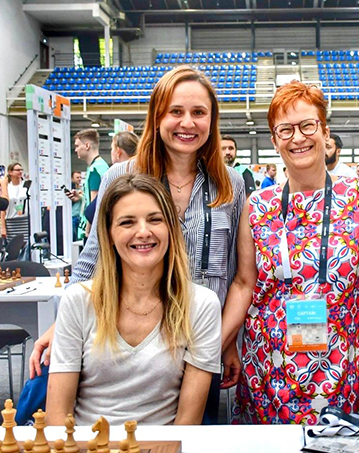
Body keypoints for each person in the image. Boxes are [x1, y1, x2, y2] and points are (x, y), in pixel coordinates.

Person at [30, 66, 245, 426]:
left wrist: (226, 340)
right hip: (129, 338)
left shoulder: (230, 184)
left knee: (187, 442)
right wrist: (61, 326)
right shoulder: (123, 174)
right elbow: (93, 259)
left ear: (212, 120)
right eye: (175, 111)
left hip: (201, 342)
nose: (187, 123)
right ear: (157, 115)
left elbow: (236, 273)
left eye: (198, 113)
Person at [220, 81, 359, 424]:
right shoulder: (257, 205)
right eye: (285, 130)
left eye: (307, 125)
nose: (298, 137)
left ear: (324, 131)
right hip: (267, 367)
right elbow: (245, 283)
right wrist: (217, 344)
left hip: (339, 365)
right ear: (274, 141)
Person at [46, 174, 221, 425]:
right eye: (127, 222)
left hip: (164, 452)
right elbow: (57, 417)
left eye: (155, 220)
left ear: (171, 228)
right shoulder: (78, 300)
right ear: (109, 234)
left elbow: (187, 422)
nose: (143, 232)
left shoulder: (202, 304)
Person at [74, 129, 109, 233]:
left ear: (87, 146)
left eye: (77, 146)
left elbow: (96, 204)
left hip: (93, 230)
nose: (76, 150)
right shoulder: (100, 166)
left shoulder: (95, 170)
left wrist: (88, 228)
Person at [67, 171, 84, 241]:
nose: (79, 179)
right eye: (77, 177)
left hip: (80, 217)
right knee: (73, 239)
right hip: (72, 216)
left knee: (79, 239)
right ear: (72, 179)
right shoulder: (70, 190)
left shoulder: (82, 189)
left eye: (80, 177)